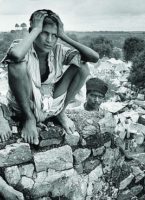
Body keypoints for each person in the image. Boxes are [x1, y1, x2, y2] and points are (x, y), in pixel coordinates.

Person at [1, 9, 99, 144]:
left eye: (54, 35)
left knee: (82, 67)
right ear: (33, 32)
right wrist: (35, 30)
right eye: (44, 33)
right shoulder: (21, 46)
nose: (49, 40)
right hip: (24, 105)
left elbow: (94, 57)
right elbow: (16, 56)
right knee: (17, 65)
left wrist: (63, 35)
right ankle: (29, 119)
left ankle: (60, 113)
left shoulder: (59, 50)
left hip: (51, 104)